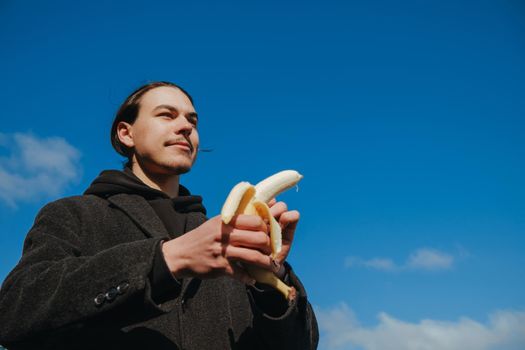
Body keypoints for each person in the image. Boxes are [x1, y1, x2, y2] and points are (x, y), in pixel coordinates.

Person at [0, 81, 319, 349]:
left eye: (192, 121)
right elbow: (14, 312)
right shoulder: (74, 215)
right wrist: (165, 260)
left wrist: (271, 281)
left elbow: (301, 344)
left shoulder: (226, 236)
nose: (186, 127)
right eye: (167, 115)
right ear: (127, 134)